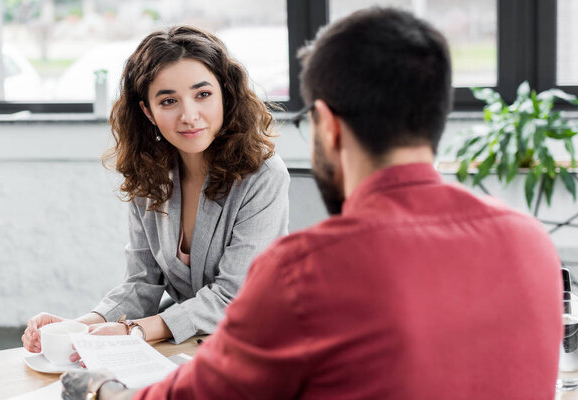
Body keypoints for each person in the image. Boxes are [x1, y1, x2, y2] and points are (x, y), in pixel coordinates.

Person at [60, 7, 562, 400]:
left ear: (326, 124)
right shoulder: (532, 243)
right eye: (168, 100)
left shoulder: (303, 269)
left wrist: (100, 389)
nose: (189, 114)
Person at [21, 26, 290, 354]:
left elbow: (233, 295)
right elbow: (142, 283)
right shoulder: (150, 174)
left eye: (202, 94)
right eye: (168, 101)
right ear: (148, 111)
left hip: (260, 344)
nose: (189, 115)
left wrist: (133, 330)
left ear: (225, 94)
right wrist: (78, 326)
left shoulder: (262, 175)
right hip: (189, 346)